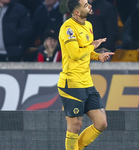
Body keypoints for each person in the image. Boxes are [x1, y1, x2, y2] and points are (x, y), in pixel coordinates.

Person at [57, 0, 114, 149]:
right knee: (75, 126)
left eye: (88, 3)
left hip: (87, 83)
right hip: (71, 83)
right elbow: (75, 54)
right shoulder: (68, 28)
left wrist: (98, 56)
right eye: (85, 5)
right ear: (77, 12)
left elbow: (85, 52)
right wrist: (92, 46)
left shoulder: (88, 25)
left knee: (101, 123)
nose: (89, 6)